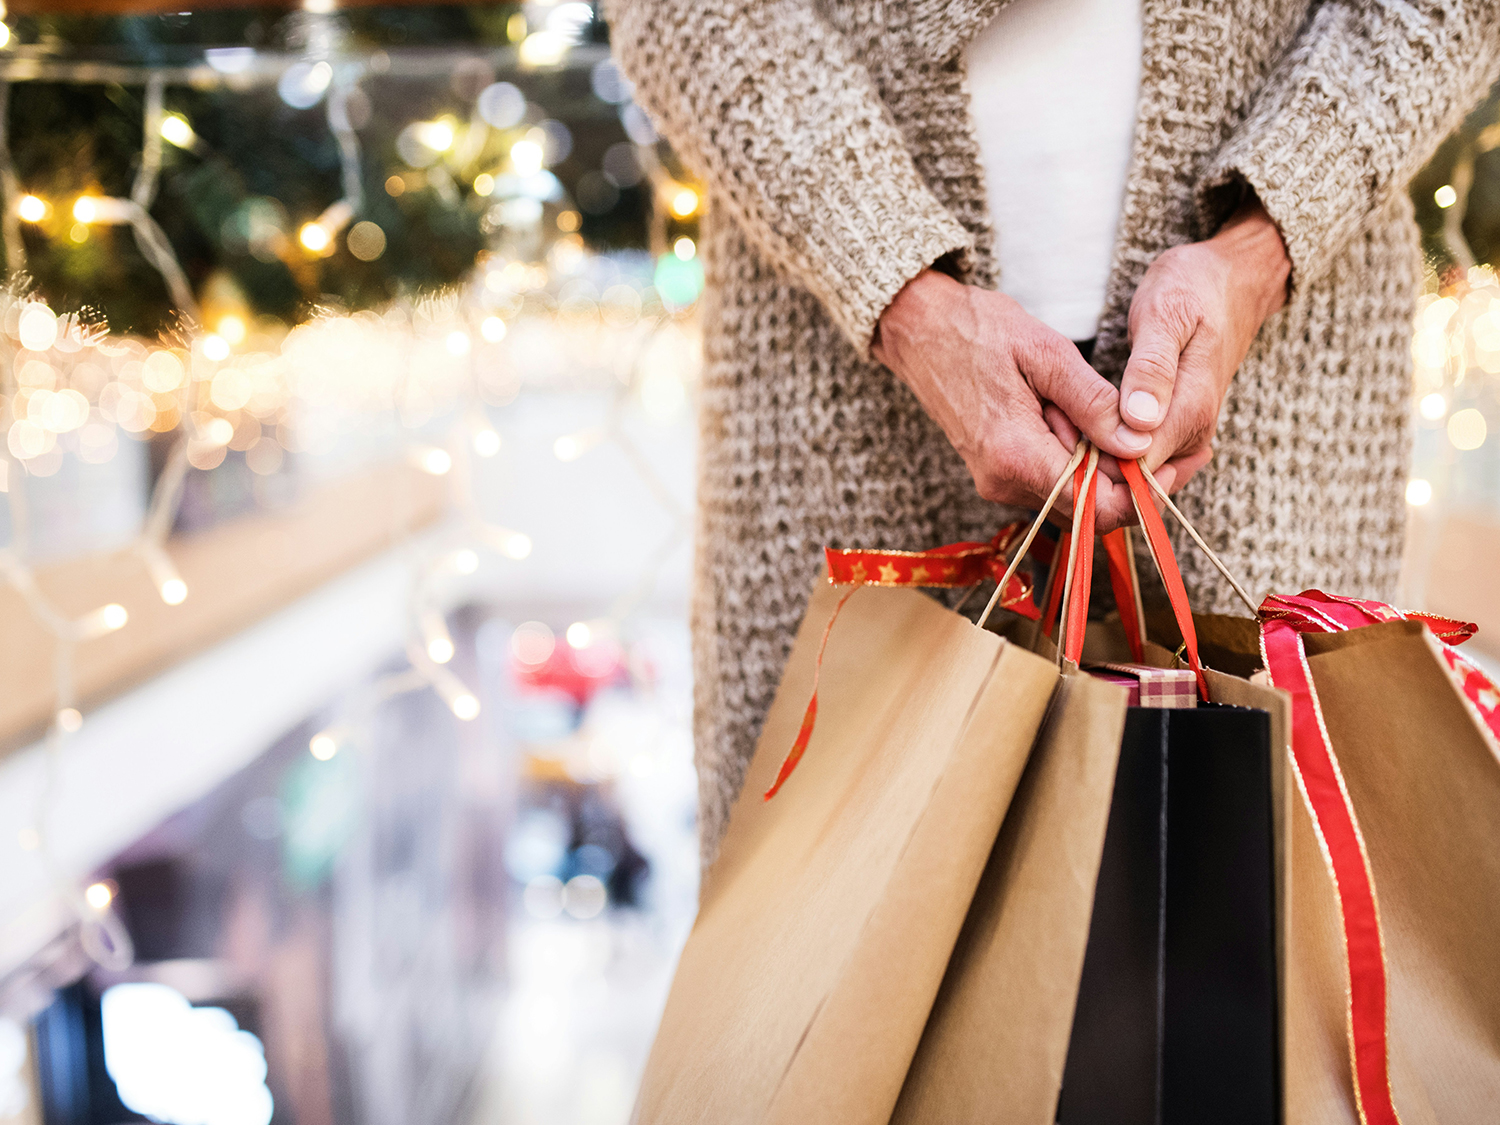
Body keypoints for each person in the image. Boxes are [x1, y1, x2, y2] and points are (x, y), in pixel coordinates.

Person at [606, 0, 1500, 861]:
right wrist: (895, 287)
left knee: (1262, 937)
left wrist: (1268, 242)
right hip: (841, 373)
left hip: (1278, 366)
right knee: (824, 938)